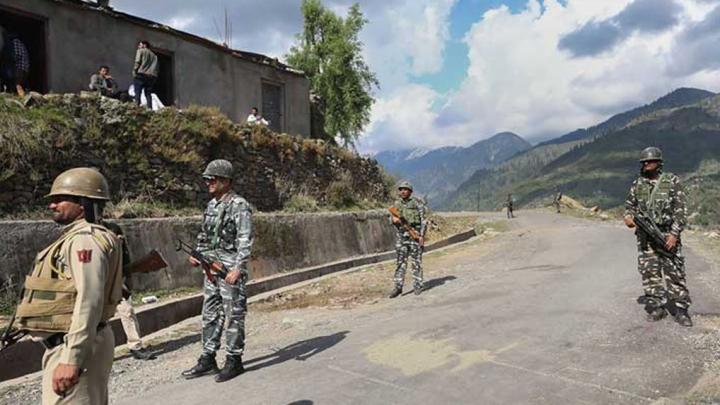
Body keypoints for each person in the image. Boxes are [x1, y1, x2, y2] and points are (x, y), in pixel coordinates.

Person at [13, 167, 123, 403]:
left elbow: (89, 300)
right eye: (52, 200)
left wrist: (72, 358)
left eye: (61, 199)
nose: (52, 205)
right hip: (74, 341)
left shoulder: (85, 240)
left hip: (74, 344)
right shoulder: (84, 236)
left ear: (83, 203)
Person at [182, 159, 253, 383]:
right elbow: (204, 235)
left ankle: (234, 360)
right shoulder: (212, 205)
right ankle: (208, 357)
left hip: (229, 268)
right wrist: (197, 254)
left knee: (233, 314)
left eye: (212, 179)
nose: (208, 183)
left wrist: (237, 269)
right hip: (211, 267)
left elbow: (245, 239)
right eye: (207, 179)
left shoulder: (239, 205)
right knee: (210, 313)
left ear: (225, 180)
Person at [623, 147, 692, 327]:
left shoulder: (672, 181)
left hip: (667, 233)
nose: (646, 164)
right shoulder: (637, 184)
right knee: (649, 272)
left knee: (675, 271)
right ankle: (656, 306)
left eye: (650, 161)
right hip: (646, 236)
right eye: (644, 162)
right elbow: (629, 207)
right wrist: (628, 218)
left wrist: (674, 234)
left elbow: (681, 211)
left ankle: (681, 309)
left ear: (659, 163)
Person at [102, 221, 156, 360]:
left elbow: (125, 255)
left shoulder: (113, 228)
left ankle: (135, 346)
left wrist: (128, 277)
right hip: (97, 280)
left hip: (117, 278)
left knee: (127, 311)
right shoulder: (86, 231)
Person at [389, 181, 427, 298]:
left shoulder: (417, 203)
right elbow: (390, 218)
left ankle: (418, 285)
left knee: (416, 262)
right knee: (400, 263)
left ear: (410, 192)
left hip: (414, 236)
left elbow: (423, 221)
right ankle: (398, 287)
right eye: (401, 189)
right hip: (401, 237)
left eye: (405, 189)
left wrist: (421, 236)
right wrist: (393, 220)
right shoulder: (396, 204)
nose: (403, 191)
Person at [0, 29, 30, 97]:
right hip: (22, 69)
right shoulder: (18, 43)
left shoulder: (15, 42)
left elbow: (13, 58)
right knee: (16, 87)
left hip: (18, 69)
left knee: (16, 87)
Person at [132, 40, 158, 109]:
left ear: (144, 45)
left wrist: (134, 71)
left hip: (141, 74)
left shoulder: (141, 51)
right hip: (151, 76)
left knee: (138, 91)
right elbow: (156, 67)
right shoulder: (154, 56)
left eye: (140, 45)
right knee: (148, 93)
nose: (138, 46)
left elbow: (137, 61)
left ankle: (137, 106)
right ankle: (150, 108)